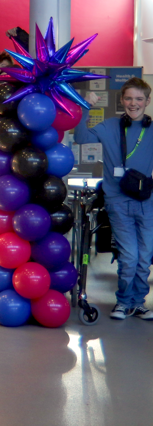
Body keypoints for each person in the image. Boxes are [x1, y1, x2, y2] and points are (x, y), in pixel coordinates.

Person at [77, 80, 153, 320]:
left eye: (139, 99)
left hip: (147, 201)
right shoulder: (110, 126)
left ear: (147, 102)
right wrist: (84, 107)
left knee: (145, 257)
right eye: (129, 99)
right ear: (122, 101)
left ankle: (137, 302)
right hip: (118, 201)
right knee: (129, 256)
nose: (134, 103)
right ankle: (123, 302)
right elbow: (80, 137)